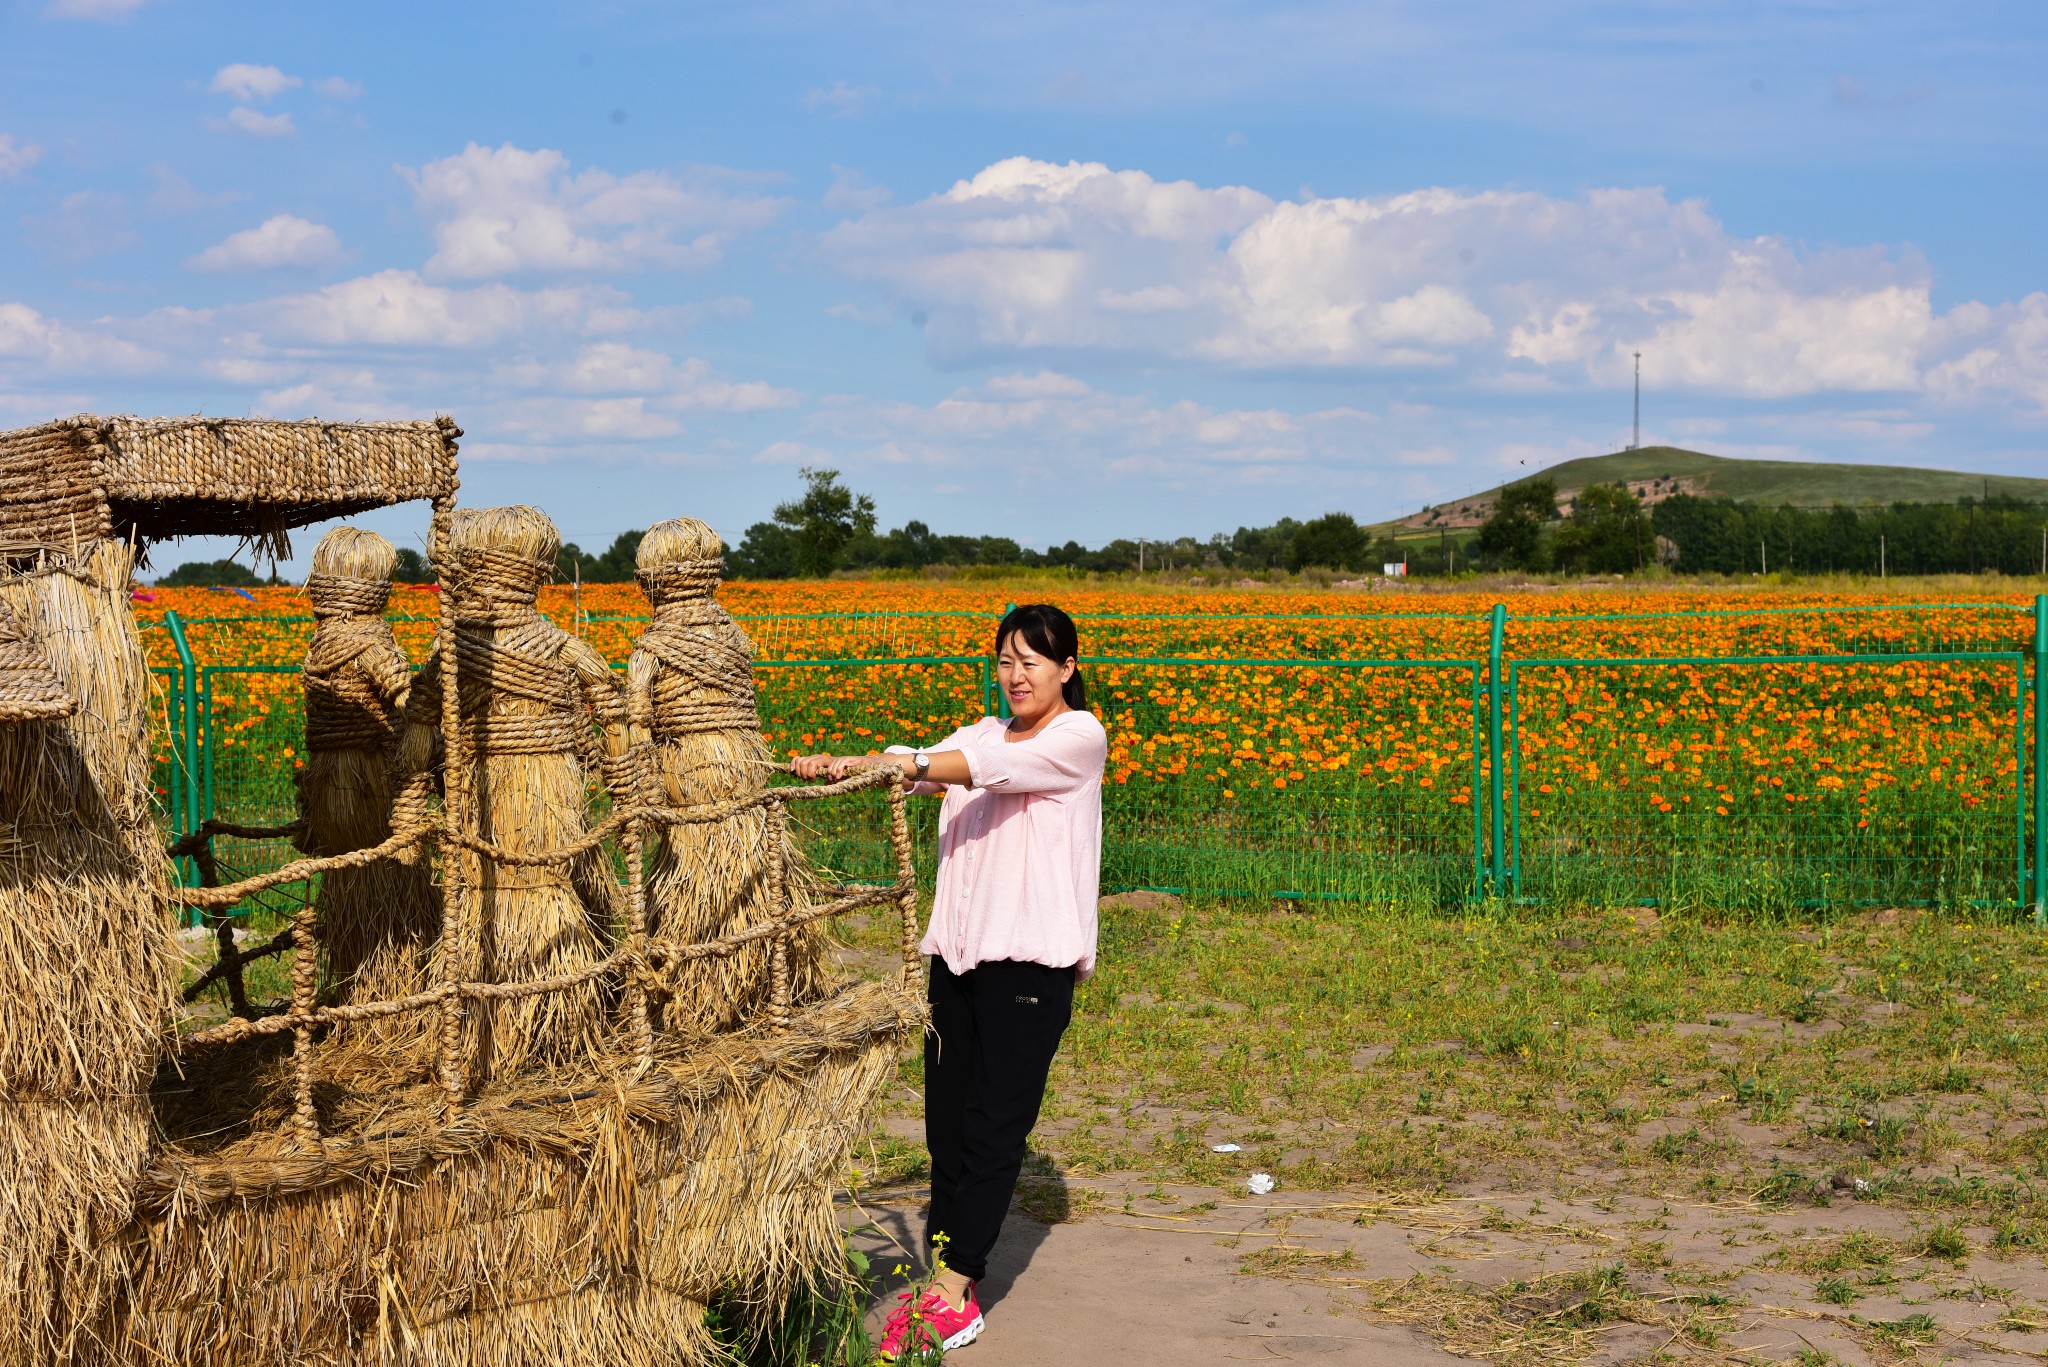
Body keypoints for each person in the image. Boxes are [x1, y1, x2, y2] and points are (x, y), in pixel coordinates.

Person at [793, 603, 1106, 1360]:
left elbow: (985, 771)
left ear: (1066, 668)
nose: (1016, 674)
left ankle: (957, 1292)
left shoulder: (1077, 736)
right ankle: (947, 1264)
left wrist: (911, 765)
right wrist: (853, 763)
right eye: (1006, 659)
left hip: (1030, 962)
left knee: (996, 1125)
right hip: (960, 959)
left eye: (1032, 660)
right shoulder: (979, 733)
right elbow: (932, 757)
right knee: (947, 1125)